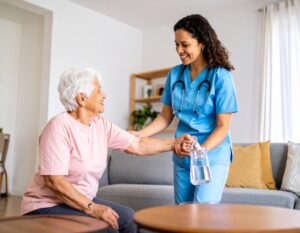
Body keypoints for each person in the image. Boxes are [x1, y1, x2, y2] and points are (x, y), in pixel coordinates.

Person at [21, 67, 193, 233]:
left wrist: (174, 144)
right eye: (99, 91)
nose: (104, 95)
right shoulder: (58, 127)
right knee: (106, 228)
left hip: (80, 201)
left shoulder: (100, 124)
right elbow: (54, 181)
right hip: (46, 206)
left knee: (129, 219)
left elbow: (137, 145)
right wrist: (93, 208)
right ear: (82, 98)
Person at [131, 14, 238, 204]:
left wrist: (200, 152)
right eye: (176, 44)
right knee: (182, 213)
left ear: (202, 43)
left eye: (185, 44)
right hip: (182, 154)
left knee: (203, 213)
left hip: (211, 155)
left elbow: (223, 126)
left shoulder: (220, 77)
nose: (179, 50)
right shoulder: (175, 74)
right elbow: (165, 117)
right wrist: (141, 134)